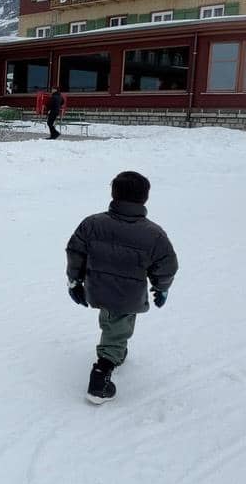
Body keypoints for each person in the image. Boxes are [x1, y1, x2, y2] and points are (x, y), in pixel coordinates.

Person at [65, 171, 178, 404]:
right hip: (128, 295)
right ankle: (100, 377)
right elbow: (166, 266)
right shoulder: (154, 234)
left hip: (96, 287)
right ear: (144, 199)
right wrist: (161, 287)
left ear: (113, 194)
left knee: (113, 320)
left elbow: (75, 252)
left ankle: (116, 350)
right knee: (118, 324)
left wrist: (74, 280)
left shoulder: (92, 223)